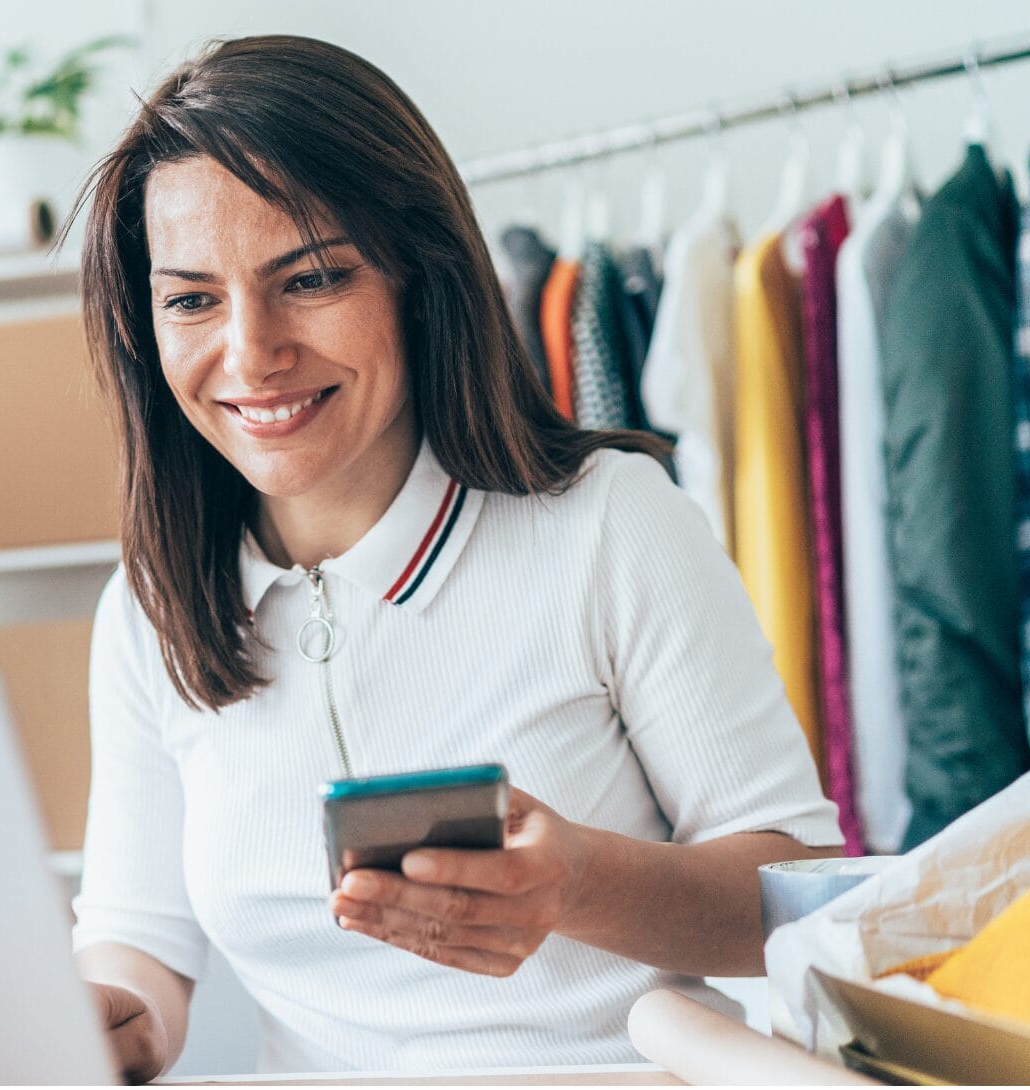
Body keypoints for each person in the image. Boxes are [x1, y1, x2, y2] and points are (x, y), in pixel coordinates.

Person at [66, 35, 843, 1082]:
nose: (251, 353)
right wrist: (111, 1018)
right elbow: (140, 936)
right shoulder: (150, 611)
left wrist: (575, 881)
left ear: (416, 277)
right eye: (193, 299)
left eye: (312, 278)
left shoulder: (612, 524)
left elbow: (797, 897)